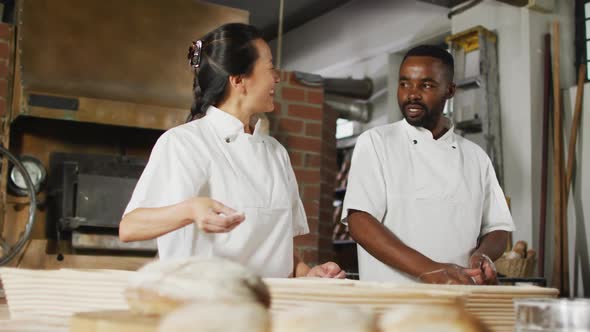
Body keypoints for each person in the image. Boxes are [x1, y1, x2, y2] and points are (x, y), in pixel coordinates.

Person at [119, 23, 344, 279]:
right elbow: (130, 227)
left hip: (269, 307)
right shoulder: (184, 143)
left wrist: (306, 272)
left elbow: (276, 248)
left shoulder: (276, 153)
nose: (277, 77)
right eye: (270, 68)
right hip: (203, 306)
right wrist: (191, 209)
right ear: (238, 80)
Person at [341, 45, 515, 285]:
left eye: (426, 85)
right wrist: (431, 271)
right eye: (404, 84)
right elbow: (360, 222)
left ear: (450, 90)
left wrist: (482, 255)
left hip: (459, 297)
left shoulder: (476, 157)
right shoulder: (376, 142)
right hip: (391, 301)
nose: (412, 94)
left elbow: (498, 227)